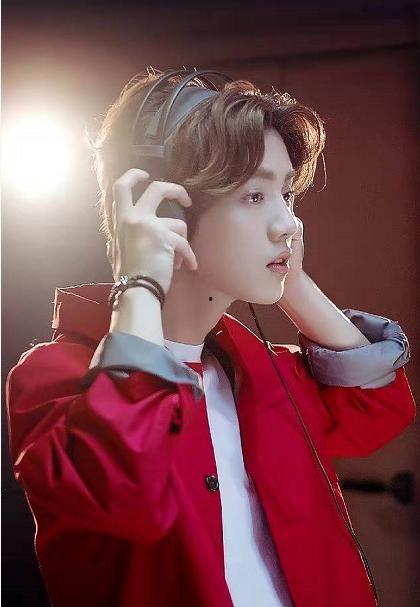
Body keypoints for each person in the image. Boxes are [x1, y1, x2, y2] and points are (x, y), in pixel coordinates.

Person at [5, 67, 415, 607]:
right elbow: (123, 493)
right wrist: (141, 282)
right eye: (255, 196)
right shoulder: (53, 380)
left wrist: (292, 282)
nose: (289, 223)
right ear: (167, 210)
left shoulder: (262, 372)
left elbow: (376, 408)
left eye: (286, 195)